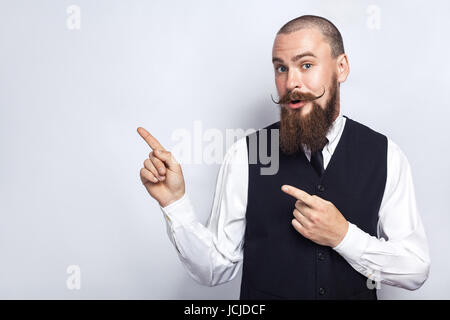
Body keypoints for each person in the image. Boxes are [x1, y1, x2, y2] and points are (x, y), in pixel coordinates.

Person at [137, 15, 430, 300]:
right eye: (281, 68)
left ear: (341, 68)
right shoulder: (245, 154)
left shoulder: (386, 154)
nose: (291, 83)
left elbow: (415, 268)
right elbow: (215, 269)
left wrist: (343, 236)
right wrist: (174, 203)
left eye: (306, 65)